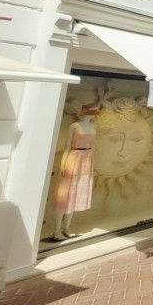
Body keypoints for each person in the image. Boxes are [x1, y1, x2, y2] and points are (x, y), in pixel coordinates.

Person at [52, 102, 99, 240]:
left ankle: (66, 227)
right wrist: (63, 164)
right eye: (91, 112)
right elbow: (67, 146)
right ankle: (56, 230)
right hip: (74, 158)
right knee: (65, 195)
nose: (92, 115)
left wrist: (93, 164)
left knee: (76, 195)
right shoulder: (74, 126)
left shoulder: (93, 126)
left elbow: (94, 147)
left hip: (87, 160)